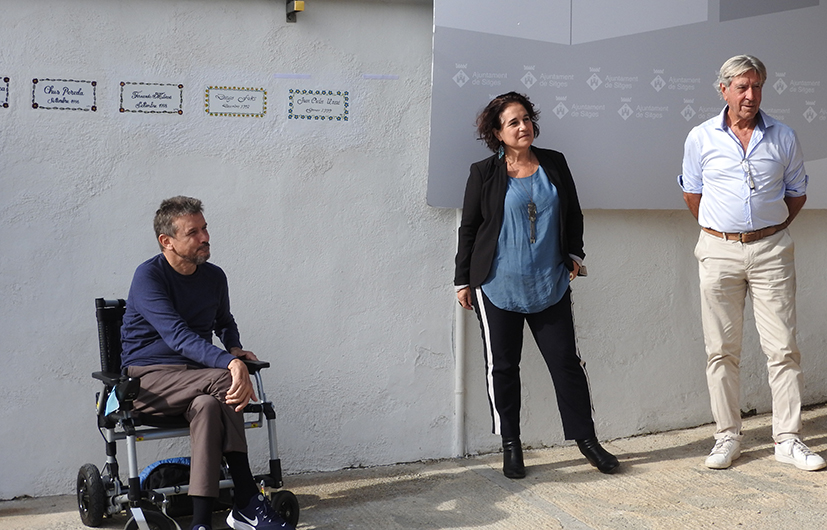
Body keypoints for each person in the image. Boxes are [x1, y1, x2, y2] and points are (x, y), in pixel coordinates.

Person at [454, 92, 619, 479]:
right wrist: (463, 279)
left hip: (549, 284)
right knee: (503, 368)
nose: (523, 126)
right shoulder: (484, 172)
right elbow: (470, 228)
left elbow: (573, 212)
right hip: (496, 285)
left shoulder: (554, 163)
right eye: (513, 122)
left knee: (566, 364)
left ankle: (587, 441)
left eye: (526, 118)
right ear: (497, 132)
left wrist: (574, 256)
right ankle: (511, 446)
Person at [679, 55, 825, 471]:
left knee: (783, 348)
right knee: (721, 350)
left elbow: (796, 193)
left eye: (756, 86)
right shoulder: (701, 137)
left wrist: (766, 229)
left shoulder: (784, 136)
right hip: (718, 251)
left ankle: (788, 439)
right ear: (723, 90)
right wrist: (726, 232)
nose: (750, 95)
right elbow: (692, 193)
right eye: (742, 87)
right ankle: (727, 436)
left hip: (771, 251)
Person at [120, 196, 295, 530]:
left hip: (197, 382)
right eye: (193, 232)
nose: (205, 237)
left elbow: (224, 321)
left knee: (209, 407)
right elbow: (177, 336)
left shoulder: (214, 277)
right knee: (225, 379)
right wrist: (230, 365)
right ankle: (247, 498)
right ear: (166, 241)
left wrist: (234, 348)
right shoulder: (148, 277)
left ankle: (201, 524)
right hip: (148, 382)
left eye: (205, 228)